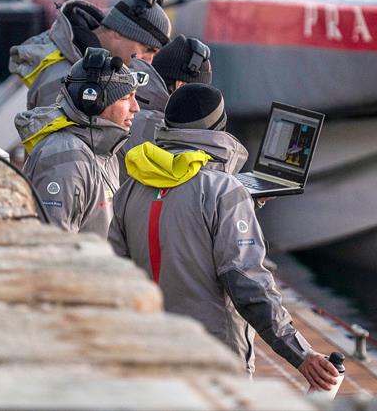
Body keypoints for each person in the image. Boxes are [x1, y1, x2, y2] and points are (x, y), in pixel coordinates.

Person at [108, 84, 339, 389]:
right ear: (218, 128)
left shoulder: (129, 189)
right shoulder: (224, 192)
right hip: (213, 360)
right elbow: (248, 285)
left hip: (149, 353)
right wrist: (300, 354)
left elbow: (114, 273)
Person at [15, 48, 146, 238]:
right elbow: (55, 248)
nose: (136, 108)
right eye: (126, 98)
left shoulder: (105, 152)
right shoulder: (65, 159)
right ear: (94, 102)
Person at [9, 0, 171, 109]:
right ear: (118, 32)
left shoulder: (87, 63)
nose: (149, 60)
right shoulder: (64, 76)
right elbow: (57, 148)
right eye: (147, 48)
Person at [117, 35, 213, 183]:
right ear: (180, 86)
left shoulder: (137, 109)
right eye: (199, 94)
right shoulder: (154, 126)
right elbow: (192, 184)